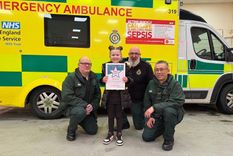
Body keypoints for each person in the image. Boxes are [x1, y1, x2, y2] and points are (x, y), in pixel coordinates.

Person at [142, 60, 185, 151]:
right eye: (156, 70)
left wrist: (154, 107)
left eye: (162, 69)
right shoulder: (151, 83)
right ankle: (164, 127)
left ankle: (169, 140)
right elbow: (147, 102)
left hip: (173, 113)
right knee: (147, 137)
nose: (159, 72)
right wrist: (149, 117)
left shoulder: (174, 84)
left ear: (168, 70)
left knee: (168, 111)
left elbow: (177, 101)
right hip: (156, 115)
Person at [61, 56, 101, 141]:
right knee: (80, 112)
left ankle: (80, 119)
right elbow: (67, 96)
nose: (87, 65)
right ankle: (71, 130)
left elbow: (97, 95)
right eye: (84, 63)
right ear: (79, 65)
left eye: (89, 64)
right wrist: (85, 105)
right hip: (73, 107)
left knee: (93, 131)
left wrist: (92, 106)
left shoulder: (93, 77)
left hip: (88, 109)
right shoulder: (71, 78)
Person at [101, 46, 132, 146]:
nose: (115, 56)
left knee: (119, 116)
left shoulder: (125, 67)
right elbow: (101, 80)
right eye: (113, 55)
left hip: (120, 96)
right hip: (109, 96)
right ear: (110, 56)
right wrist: (103, 80)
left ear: (121, 56)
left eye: (117, 55)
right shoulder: (105, 66)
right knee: (110, 116)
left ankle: (119, 133)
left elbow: (131, 80)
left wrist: (127, 80)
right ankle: (110, 133)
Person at [123, 46, 153, 130]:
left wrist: (148, 99)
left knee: (139, 127)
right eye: (131, 53)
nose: (133, 55)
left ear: (140, 55)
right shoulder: (122, 64)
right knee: (114, 104)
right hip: (123, 96)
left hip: (137, 99)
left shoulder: (146, 66)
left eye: (136, 53)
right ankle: (123, 123)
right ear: (128, 54)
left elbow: (151, 83)